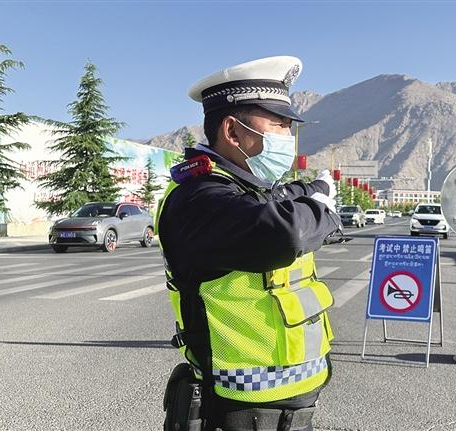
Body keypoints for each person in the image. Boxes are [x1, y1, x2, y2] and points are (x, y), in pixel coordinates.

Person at [156, 56, 341, 431]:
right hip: (238, 414)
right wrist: (323, 206)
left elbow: (281, 199)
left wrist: (315, 190)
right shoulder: (199, 198)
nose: (288, 136)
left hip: (286, 410)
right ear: (233, 131)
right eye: (278, 124)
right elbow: (286, 233)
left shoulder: (248, 191)